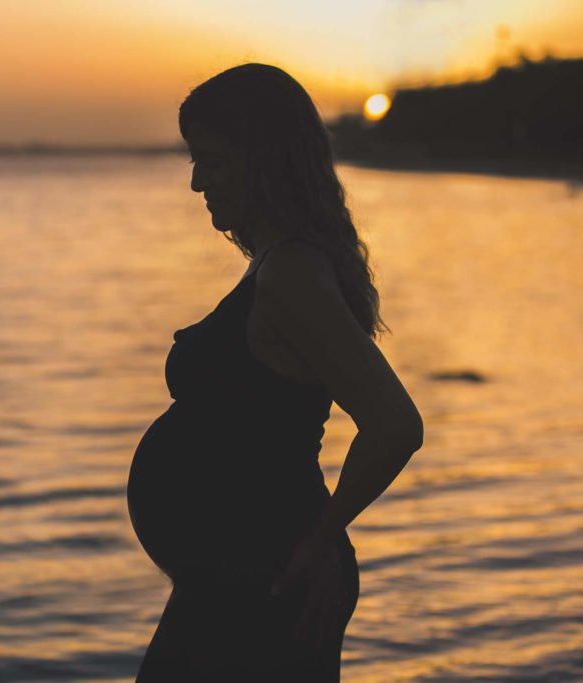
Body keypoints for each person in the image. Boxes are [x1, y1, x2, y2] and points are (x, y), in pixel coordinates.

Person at [126, 63, 424, 682]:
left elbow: (395, 424)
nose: (195, 183)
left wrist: (320, 540)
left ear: (264, 163)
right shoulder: (278, 265)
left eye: (212, 162)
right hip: (234, 577)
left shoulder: (291, 273)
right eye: (193, 161)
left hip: (269, 578)